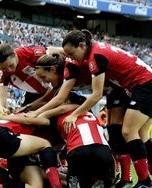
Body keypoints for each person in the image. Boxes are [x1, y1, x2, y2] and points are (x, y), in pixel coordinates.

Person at [61, 29, 152, 188]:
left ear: (82, 45)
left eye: (71, 53)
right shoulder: (98, 49)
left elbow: (96, 95)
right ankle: (145, 180)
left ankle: (145, 182)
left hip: (145, 85)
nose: (70, 58)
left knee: (128, 131)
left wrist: (75, 114)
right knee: (142, 136)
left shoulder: (94, 57)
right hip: (143, 84)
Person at [0, 113, 63, 188]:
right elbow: (42, 121)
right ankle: (56, 185)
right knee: (45, 144)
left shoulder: (5, 118)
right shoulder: (26, 116)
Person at [0, 40, 65, 115]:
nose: (9, 70)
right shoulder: (1, 71)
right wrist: (1, 108)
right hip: (32, 94)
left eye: (11, 65)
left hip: (51, 87)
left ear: (15, 54)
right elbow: (1, 96)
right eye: (4, 68)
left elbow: (61, 51)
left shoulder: (28, 53)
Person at [105, 87, 133, 188]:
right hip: (112, 128)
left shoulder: (124, 92)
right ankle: (116, 175)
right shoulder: (109, 93)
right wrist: (108, 126)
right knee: (114, 151)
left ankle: (127, 178)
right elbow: (108, 110)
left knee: (123, 151)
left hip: (121, 127)